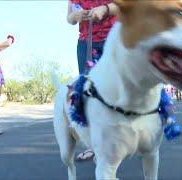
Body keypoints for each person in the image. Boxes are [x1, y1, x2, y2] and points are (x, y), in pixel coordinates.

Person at [67, 0, 118, 161]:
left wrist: (106, 8)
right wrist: (76, 15)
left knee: (115, 89)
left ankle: (123, 140)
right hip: (86, 43)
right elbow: (69, 18)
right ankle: (94, 146)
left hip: (112, 39)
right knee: (88, 94)